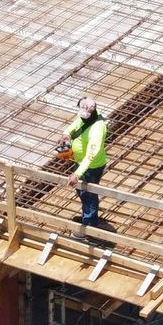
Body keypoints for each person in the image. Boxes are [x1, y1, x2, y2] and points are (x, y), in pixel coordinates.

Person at [54, 97, 109, 229]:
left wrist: (77, 174)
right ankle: (88, 217)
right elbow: (77, 123)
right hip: (81, 162)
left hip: (92, 167)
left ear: (92, 113)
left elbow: (91, 156)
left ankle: (90, 226)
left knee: (88, 194)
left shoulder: (97, 129)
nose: (82, 119)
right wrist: (66, 134)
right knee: (82, 192)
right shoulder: (89, 115)